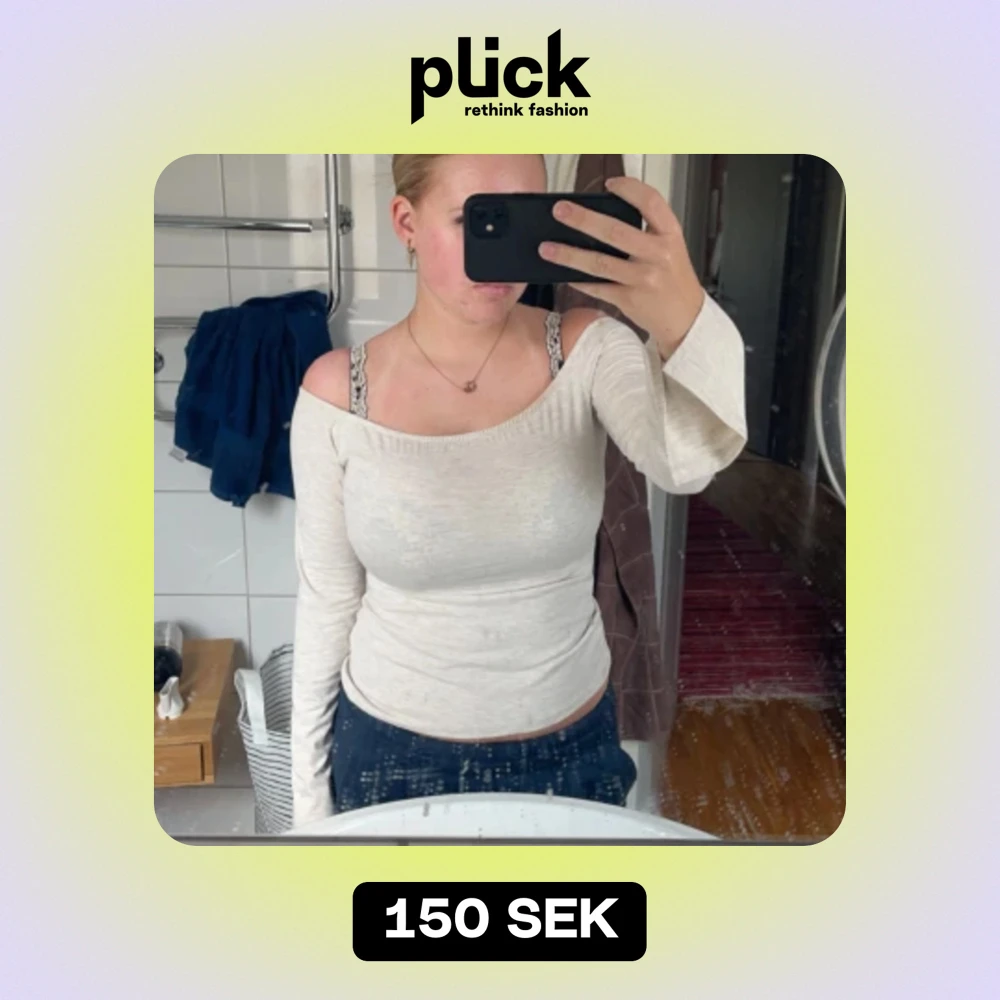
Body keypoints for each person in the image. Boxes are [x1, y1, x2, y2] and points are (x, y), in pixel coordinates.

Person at [289, 154, 747, 828]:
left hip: (571, 747)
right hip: (390, 753)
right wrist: (308, 807)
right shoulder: (337, 394)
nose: (503, 254)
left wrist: (684, 317)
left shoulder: (588, 349)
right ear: (406, 223)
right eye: (477, 220)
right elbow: (327, 599)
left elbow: (687, 465)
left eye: (522, 219)